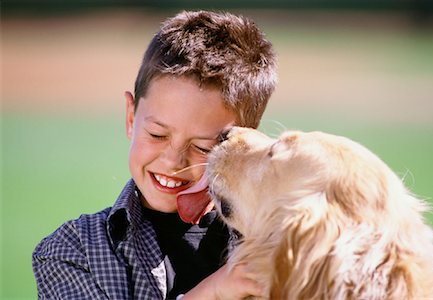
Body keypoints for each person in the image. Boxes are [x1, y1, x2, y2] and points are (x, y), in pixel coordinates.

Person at [32, 10, 277, 299]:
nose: (173, 162)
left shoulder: (276, 244)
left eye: (202, 147)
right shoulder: (74, 251)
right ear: (131, 117)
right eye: (157, 135)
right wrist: (215, 291)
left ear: (239, 145)